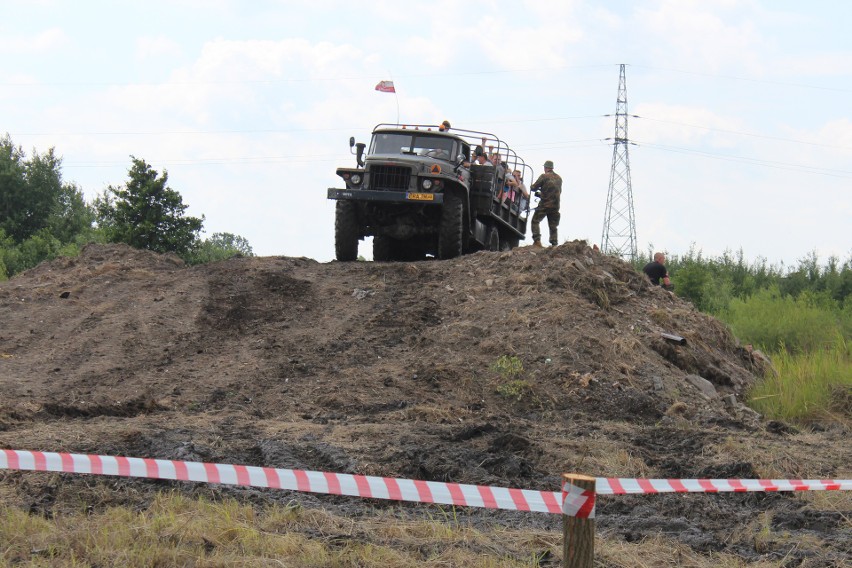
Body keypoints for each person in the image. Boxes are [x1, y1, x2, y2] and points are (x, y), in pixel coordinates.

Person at [529, 160, 562, 247]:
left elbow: (534, 188)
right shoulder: (559, 178)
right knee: (553, 225)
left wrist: (533, 188)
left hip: (544, 205)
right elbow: (557, 192)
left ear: (546, 168)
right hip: (555, 206)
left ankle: (537, 241)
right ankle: (554, 243)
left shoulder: (544, 176)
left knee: (535, 221)